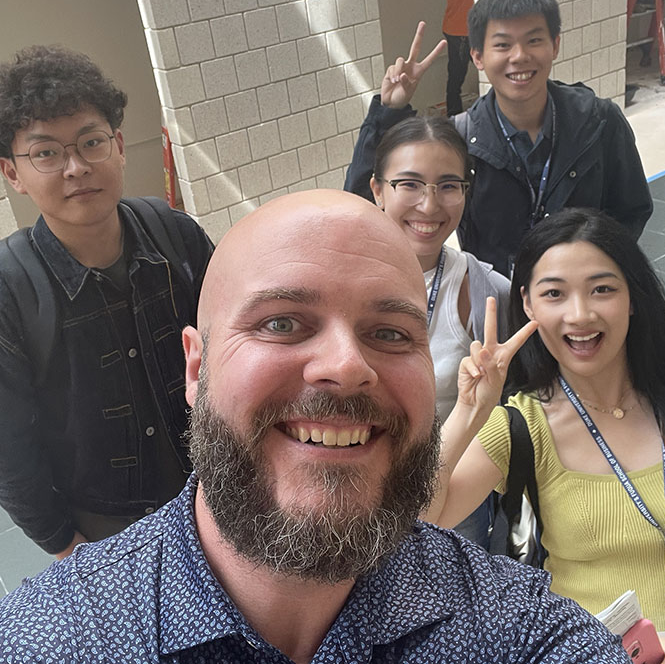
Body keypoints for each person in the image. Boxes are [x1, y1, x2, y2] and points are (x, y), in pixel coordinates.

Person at [0, 191, 630, 663]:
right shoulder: (54, 636)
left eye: (390, 333)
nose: (346, 367)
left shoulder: (514, 628)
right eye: (281, 323)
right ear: (196, 367)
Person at [425, 208, 665, 661]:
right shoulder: (522, 425)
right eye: (554, 293)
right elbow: (420, 519)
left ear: (633, 296)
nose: (580, 314)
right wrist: (470, 411)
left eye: (602, 289)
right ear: (529, 305)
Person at [0, 46, 213, 558]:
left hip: (214, 492)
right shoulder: (10, 288)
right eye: (46, 153)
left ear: (118, 145)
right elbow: (8, 444)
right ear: (12, 174)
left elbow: (231, 347)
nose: (75, 167)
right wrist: (63, 543)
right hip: (104, 528)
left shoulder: (175, 235)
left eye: (91, 142)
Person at [344, 0, 653, 277]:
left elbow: (631, 210)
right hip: (498, 310)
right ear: (478, 56)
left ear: (555, 45)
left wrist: (594, 271)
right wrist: (389, 112)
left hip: (574, 304)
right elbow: (364, 207)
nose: (519, 56)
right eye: (503, 45)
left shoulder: (598, 121)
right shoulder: (461, 139)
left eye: (534, 40)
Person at [367, 114, 510, 545]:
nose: (430, 206)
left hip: (452, 496)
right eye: (409, 184)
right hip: (358, 490)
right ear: (377, 190)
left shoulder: (486, 292)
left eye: (448, 186)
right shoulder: (341, 285)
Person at [443, 0, 474, 116]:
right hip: (462, 29)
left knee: (455, 79)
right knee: (493, 73)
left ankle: (452, 120)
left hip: (454, 26)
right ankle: (453, 120)